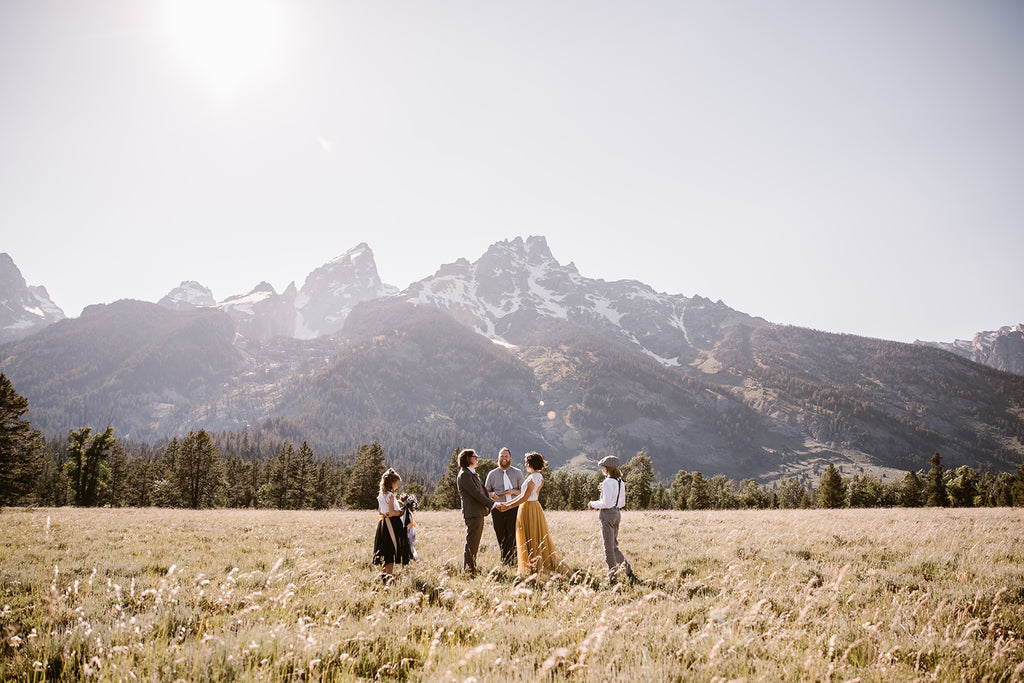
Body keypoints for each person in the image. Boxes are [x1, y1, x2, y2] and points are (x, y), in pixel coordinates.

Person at [502, 451, 566, 579]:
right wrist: (509, 503)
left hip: (528, 507)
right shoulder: (539, 477)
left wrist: (509, 506)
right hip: (534, 506)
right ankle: (533, 564)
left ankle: (533, 566)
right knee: (535, 535)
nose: (525, 464)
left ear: (531, 463)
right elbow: (524, 495)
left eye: (526, 462)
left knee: (530, 535)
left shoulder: (532, 478)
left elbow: (525, 497)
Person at [588, 455, 636, 584]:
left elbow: (606, 503)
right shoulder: (621, 482)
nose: (602, 469)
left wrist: (593, 504)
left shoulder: (607, 482)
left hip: (607, 514)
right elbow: (621, 503)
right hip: (617, 513)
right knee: (614, 547)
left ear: (606, 468)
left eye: (603, 467)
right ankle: (628, 571)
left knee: (608, 549)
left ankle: (612, 578)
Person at [457, 449, 500, 573]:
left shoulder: (470, 473)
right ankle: (468, 569)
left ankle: (471, 567)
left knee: (475, 541)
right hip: (473, 512)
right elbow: (476, 494)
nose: (477, 459)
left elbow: (482, 491)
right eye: (475, 457)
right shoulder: (465, 474)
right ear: (467, 459)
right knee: (472, 541)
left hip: (477, 512)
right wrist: (494, 504)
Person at [484, 447, 525, 566]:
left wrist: (512, 491)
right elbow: (485, 491)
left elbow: (524, 491)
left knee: (512, 534)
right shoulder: (492, 474)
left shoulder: (517, 472)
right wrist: (492, 494)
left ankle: (514, 560)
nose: (504, 458)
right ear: (498, 458)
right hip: (498, 508)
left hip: (514, 507)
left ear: (510, 458)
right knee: (500, 534)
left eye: (506, 456)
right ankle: (504, 560)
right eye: (502, 456)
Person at [373, 468, 412, 584]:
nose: (397, 486)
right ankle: (389, 576)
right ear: (391, 483)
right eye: (396, 484)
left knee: (384, 550)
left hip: (383, 523)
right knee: (391, 549)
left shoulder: (381, 495)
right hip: (392, 524)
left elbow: (381, 512)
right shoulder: (390, 496)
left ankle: (384, 574)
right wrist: (401, 512)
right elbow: (391, 512)